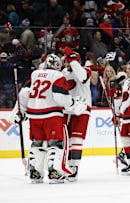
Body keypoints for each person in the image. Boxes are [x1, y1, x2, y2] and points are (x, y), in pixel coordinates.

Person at [7, 54, 87, 184]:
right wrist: (73, 104)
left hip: (34, 115)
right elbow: (60, 97)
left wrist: (19, 111)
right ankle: (55, 172)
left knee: (37, 144)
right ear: (56, 64)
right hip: (51, 115)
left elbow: (23, 93)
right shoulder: (57, 75)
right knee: (55, 144)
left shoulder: (35, 74)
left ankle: (35, 172)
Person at [61, 47, 92, 181]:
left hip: (82, 110)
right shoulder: (62, 73)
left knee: (76, 140)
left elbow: (82, 77)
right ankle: (64, 166)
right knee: (63, 141)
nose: (68, 64)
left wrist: (73, 60)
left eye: (71, 61)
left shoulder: (85, 71)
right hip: (66, 111)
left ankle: (74, 168)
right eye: (67, 61)